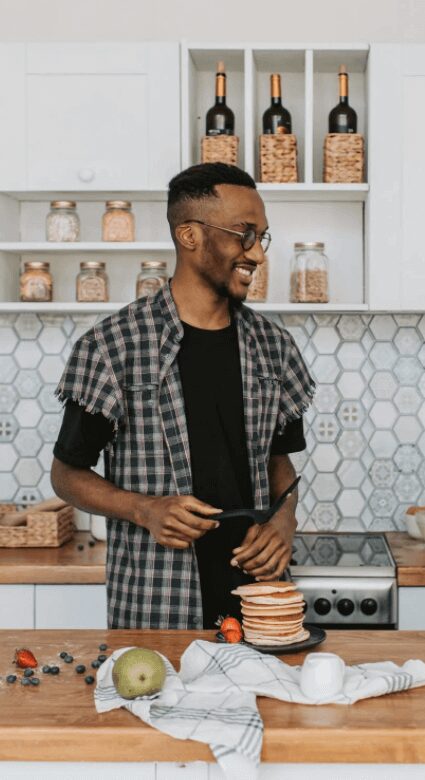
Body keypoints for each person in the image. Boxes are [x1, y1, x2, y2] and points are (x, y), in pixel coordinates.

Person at [51, 163, 315, 630]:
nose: (256, 253)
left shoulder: (275, 348)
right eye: (244, 234)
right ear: (190, 235)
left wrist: (284, 522)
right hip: (156, 606)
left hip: (258, 606)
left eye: (261, 237)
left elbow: (280, 463)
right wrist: (145, 509)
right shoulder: (113, 346)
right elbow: (67, 474)